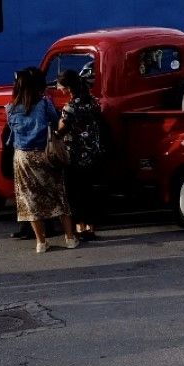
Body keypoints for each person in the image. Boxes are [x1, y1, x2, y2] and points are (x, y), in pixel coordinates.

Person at [4, 67, 73, 254]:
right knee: (58, 194)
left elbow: (11, 130)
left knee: (29, 198)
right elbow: (55, 120)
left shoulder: (10, 109)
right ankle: (70, 238)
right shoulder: (44, 103)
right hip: (45, 153)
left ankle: (41, 242)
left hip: (23, 157)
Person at [56, 69, 108, 242]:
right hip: (94, 153)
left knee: (76, 194)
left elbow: (62, 131)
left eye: (60, 85)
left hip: (76, 156)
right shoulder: (92, 102)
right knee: (91, 192)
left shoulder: (70, 108)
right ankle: (91, 228)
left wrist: (53, 133)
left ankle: (80, 227)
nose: (58, 88)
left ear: (68, 87)